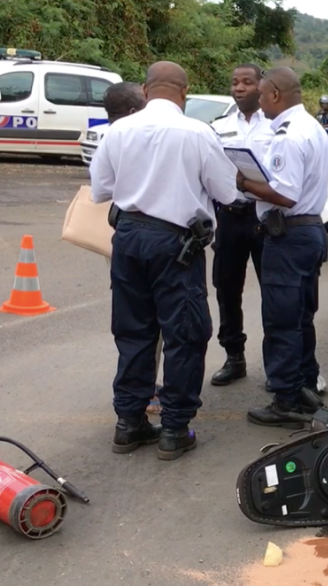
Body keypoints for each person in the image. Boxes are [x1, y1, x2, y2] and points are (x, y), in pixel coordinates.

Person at [90, 61, 240, 460]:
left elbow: (100, 190)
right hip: (176, 243)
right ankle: (174, 428)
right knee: (184, 334)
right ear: (184, 92)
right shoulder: (198, 133)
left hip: (128, 237)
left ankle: (129, 423)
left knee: (134, 331)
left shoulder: (118, 130)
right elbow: (227, 192)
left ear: (145, 89)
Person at [237, 67, 328, 427]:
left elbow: (285, 194)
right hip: (308, 232)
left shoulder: (288, 135)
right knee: (300, 317)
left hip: (288, 235)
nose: (259, 102)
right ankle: (304, 385)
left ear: (275, 94)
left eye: (261, 95)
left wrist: (245, 183)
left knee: (281, 321)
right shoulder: (313, 128)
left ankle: (286, 399)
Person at [98, 82, 167, 415]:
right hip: (155, 238)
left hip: (122, 238)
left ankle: (134, 395)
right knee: (153, 324)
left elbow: (100, 189)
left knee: (131, 324)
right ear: (132, 110)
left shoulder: (109, 136)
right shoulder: (141, 136)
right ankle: (147, 391)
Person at [208, 63, 273, 387]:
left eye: (247, 82)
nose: (239, 87)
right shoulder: (217, 127)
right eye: (235, 82)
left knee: (272, 291)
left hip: (264, 216)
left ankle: (277, 364)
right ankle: (234, 356)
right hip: (230, 216)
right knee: (226, 289)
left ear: (261, 86)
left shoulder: (275, 126)